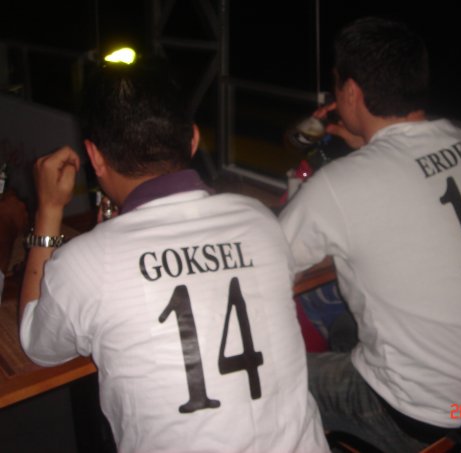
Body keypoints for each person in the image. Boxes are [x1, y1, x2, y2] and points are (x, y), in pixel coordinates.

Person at [19, 61, 328, 453]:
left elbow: (38, 346)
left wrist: (48, 211)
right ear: (193, 140)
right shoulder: (260, 221)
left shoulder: (85, 263)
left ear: (95, 157)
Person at [279, 16, 461, 452]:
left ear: (350, 91)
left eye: (336, 85)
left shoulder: (343, 183)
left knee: (276, 380)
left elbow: (267, 259)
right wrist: (369, 150)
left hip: (424, 415)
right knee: (344, 326)